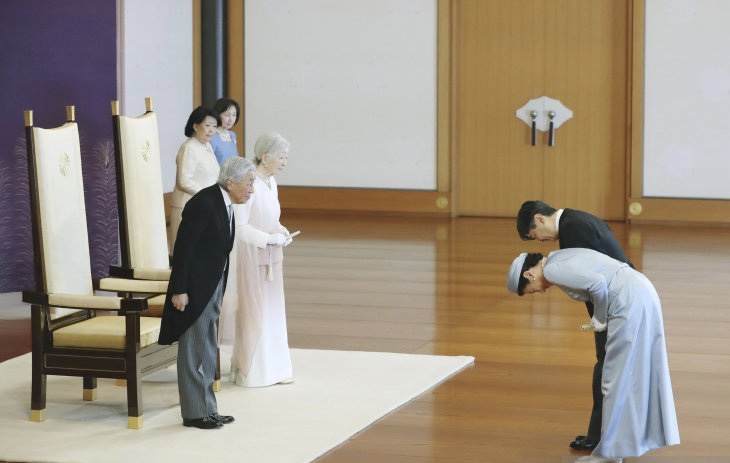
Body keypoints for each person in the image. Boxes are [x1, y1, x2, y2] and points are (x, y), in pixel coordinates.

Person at [506, 249, 680, 462]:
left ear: (528, 275)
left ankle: (607, 455)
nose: (539, 292)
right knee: (635, 372)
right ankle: (618, 448)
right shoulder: (557, 256)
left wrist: (599, 319)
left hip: (627, 299)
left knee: (613, 381)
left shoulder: (551, 270)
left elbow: (597, 284)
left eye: (532, 290)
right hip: (640, 290)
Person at [516, 200, 633, 451]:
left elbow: (595, 282)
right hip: (622, 299)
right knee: (611, 371)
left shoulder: (573, 230)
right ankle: (605, 434)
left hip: (616, 306)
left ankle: (602, 437)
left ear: (539, 219)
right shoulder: (579, 218)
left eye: (534, 235)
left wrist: (599, 320)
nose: (541, 241)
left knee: (606, 372)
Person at [158, 156, 257, 430]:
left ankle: (208, 408)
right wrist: (179, 290)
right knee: (193, 350)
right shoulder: (203, 203)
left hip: (211, 287)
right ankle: (194, 413)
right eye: (249, 183)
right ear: (231, 182)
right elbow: (184, 249)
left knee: (206, 348)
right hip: (193, 291)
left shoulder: (224, 204)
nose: (251, 189)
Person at [219, 132, 294, 387]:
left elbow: (272, 217)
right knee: (255, 313)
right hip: (253, 258)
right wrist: (267, 239)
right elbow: (239, 227)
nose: (285, 161)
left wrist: (281, 230)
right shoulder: (250, 185)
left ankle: (277, 369)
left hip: (273, 258)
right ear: (265, 157)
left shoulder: (272, 184)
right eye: (281, 157)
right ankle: (253, 371)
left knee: (274, 312)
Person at [168, 106, 221, 253]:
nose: (212, 130)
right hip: (187, 206)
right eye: (208, 125)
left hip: (204, 205)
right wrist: (208, 195)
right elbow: (184, 181)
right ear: (196, 126)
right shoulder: (189, 148)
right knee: (185, 252)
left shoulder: (207, 146)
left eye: (215, 126)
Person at [210, 98, 241, 166]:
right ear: (217, 114)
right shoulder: (211, 136)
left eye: (234, 115)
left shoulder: (232, 135)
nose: (231, 119)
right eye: (227, 115)